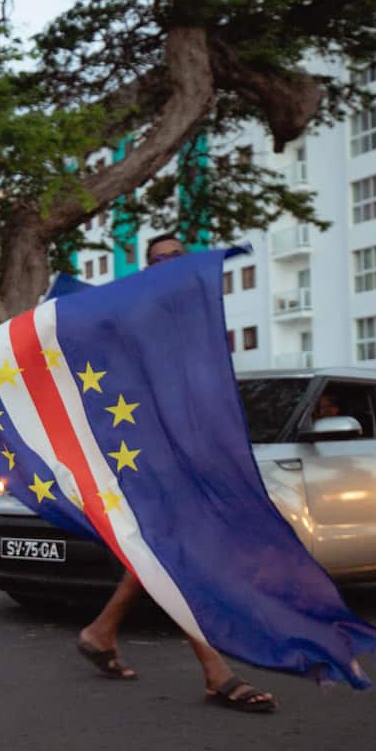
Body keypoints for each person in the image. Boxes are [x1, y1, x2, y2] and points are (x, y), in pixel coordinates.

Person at [75, 235, 276, 712]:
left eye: (176, 258)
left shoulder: (196, 322)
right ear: (148, 271)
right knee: (179, 557)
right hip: (151, 455)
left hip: (195, 453)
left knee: (163, 556)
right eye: (158, 260)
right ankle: (216, 672)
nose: (168, 265)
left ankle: (101, 631)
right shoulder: (136, 319)